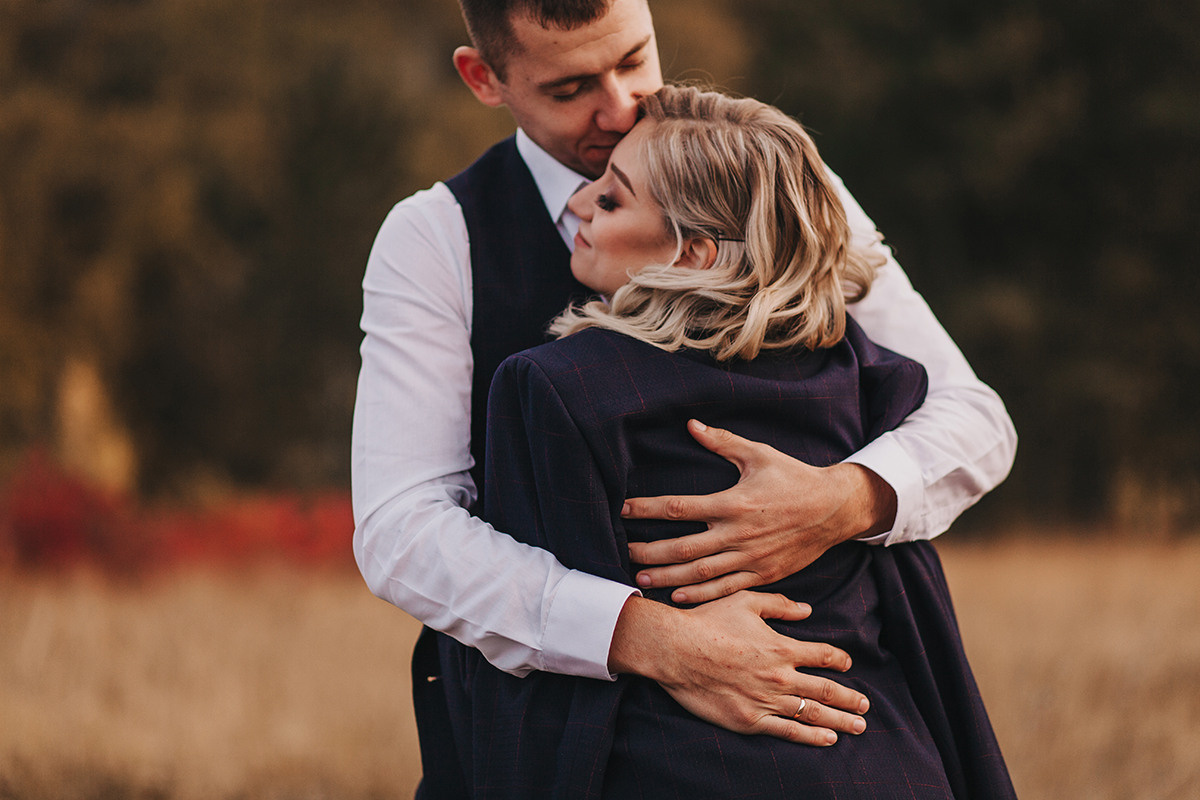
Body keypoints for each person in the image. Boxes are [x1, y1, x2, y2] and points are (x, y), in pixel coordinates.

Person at [350, 0, 1016, 793]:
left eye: (635, 58)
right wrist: (647, 636)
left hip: (845, 720)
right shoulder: (435, 237)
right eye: (570, 89)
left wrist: (844, 498)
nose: (622, 106)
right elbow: (402, 528)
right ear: (483, 78)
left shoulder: (774, 180)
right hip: (563, 741)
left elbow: (973, 416)